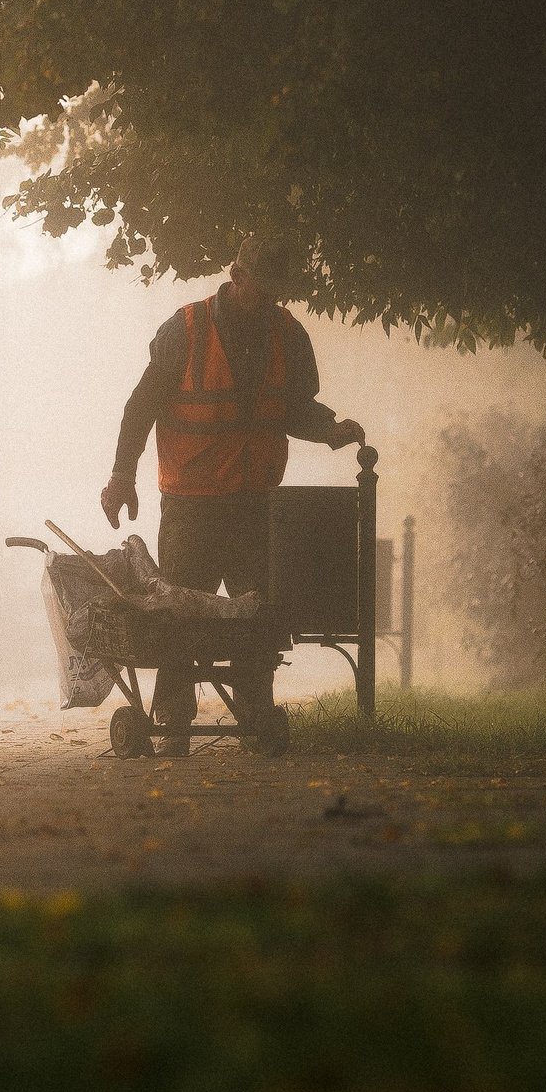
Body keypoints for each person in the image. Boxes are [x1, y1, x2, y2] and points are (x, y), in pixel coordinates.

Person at [98, 235, 363, 755]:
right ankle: (172, 716)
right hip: (191, 505)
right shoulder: (185, 331)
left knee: (253, 616)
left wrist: (328, 427)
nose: (268, 304)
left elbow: (292, 408)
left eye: (276, 295)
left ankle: (255, 713)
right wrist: (121, 478)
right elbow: (140, 408)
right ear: (236, 277)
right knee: (178, 617)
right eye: (260, 292)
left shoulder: (288, 335)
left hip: (254, 505)